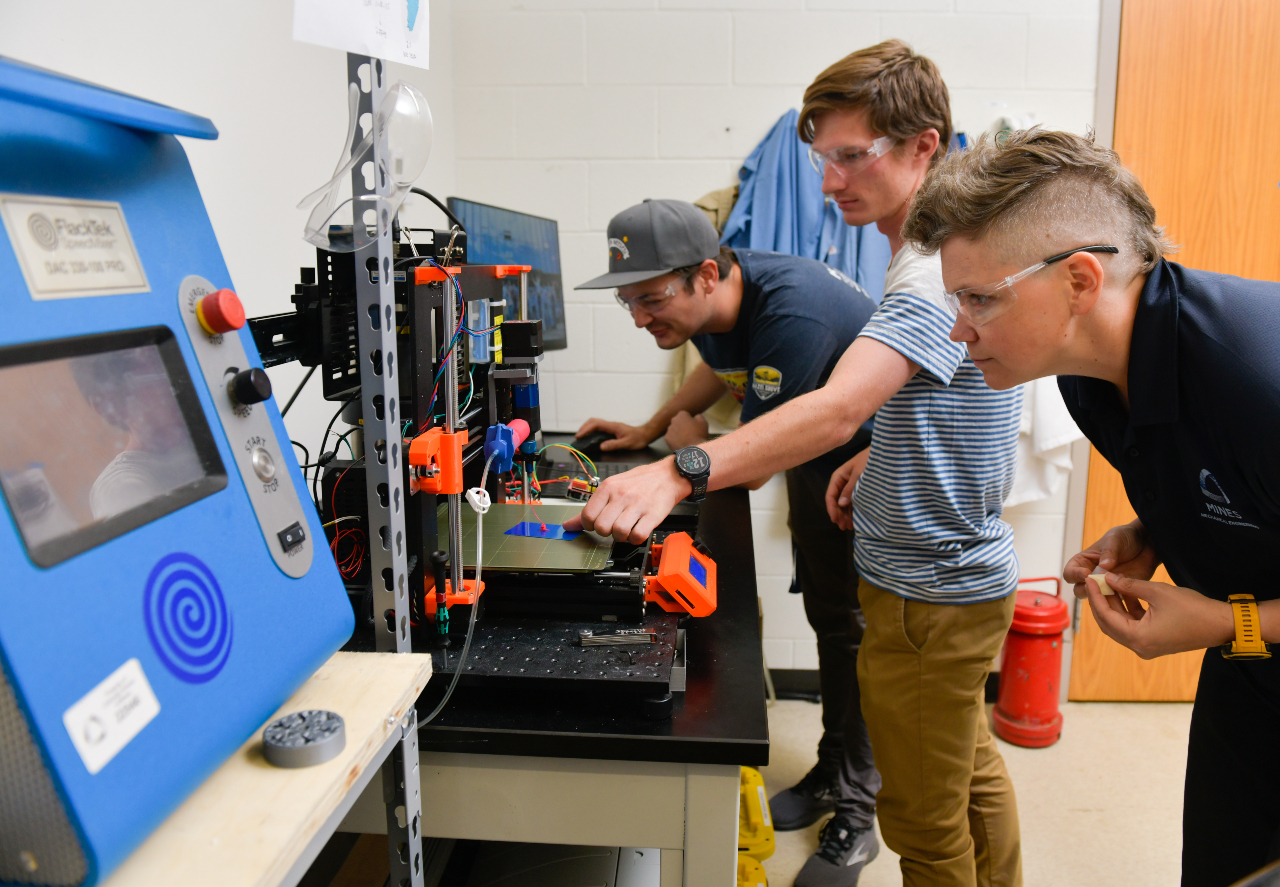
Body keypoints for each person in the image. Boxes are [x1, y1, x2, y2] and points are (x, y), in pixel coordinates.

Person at [567, 40, 1026, 887]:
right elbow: (925, 391)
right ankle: (842, 781)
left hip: (933, 575)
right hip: (918, 545)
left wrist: (677, 467)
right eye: (823, 160)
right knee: (962, 764)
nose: (828, 182)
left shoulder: (932, 268)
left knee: (923, 820)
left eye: (852, 157)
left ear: (924, 146)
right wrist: (880, 450)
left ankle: (853, 802)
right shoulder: (923, 255)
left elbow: (841, 407)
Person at [900, 126, 1280, 887]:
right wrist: (1153, 531)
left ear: (1079, 280)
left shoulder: (1256, 378)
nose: (958, 329)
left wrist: (1226, 622)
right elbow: (1222, 478)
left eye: (979, 299)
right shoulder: (1087, 375)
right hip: (1253, 671)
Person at [573, 198, 883, 882]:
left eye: (652, 298)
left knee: (860, 635)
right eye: (629, 301)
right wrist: (654, 424)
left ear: (707, 275)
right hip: (819, 468)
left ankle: (859, 813)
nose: (640, 317)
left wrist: (687, 447)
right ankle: (833, 770)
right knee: (834, 625)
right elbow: (719, 365)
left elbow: (758, 461)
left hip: (875, 474)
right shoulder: (719, 307)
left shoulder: (792, 313)